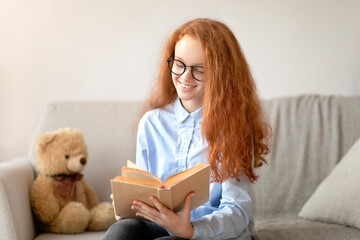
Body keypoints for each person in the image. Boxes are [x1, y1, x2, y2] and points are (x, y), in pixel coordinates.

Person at [104, 18, 271, 240]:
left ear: (221, 75)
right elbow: (146, 195)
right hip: (162, 227)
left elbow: (237, 213)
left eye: (199, 69)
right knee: (122, 231)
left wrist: (191, 231)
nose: (184, 77)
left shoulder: (233, 129)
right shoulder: (152, 123)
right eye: (179, 64)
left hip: (215, 234)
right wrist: (131, 207)